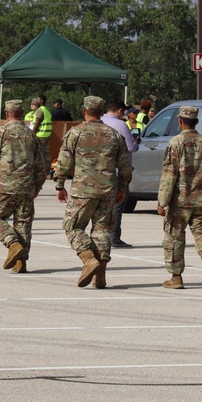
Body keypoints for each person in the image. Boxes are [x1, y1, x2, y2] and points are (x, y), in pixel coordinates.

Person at [53, 96, 131, 289]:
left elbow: (63, 162)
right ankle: (101, 273)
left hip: (83, 191)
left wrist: (59, 185)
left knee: (72, 227)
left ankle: (88, 258)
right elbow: (125, 167)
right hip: (107, 190)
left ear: (83, 111)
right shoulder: (114, 134)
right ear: (102, 111)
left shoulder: (75, 133)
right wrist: (121, 188)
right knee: (102, 230)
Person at [158, 106, 202, 293]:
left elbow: (169, 175)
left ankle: (176, 277)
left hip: (180, 201)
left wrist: (162, 201)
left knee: (174, 238)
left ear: (180, 121)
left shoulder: (175, 143)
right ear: (196, 122)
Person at [0, 99, 48, 273]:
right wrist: (37, 187)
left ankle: (12, 243)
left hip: (4, 185)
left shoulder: (0, 132)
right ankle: (20, 262)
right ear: (22, 113)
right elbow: (41, 166)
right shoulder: (31, 134)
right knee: (23, 223)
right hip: (26, 185)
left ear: (6, 114)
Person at [101, 100, 139, 248]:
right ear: (119, 110)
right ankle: (114, 237)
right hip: (117, 171)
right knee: (117, 205)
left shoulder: (100, 121)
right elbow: (131, 147)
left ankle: (100, 236)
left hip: (100, 171)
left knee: (102, 206)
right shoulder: (121, 125)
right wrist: (136, 141)